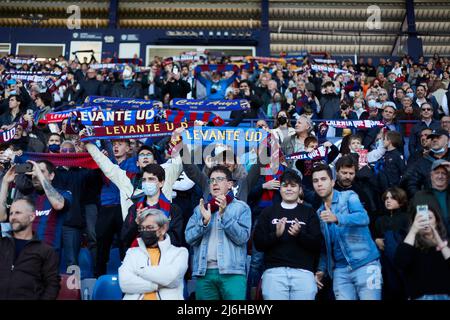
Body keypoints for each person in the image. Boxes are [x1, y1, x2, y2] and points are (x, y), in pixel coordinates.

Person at [312, 163, 382, 300]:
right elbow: (325, 247)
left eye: (323, 179)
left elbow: (363, 217)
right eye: (315, 181)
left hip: (366, 263)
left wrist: (337, 218)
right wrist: (321, 270)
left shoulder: (349, 196)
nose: (319, 184)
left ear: (332, 182)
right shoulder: (319, 213)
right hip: (340, 270)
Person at [185, 165, 251, 300]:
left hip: (233, 273)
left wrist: (224, 215)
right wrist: (204, 222)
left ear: (230, 184)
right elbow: (189, 238)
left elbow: (242, 238)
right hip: (205, 273)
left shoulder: (241, 208)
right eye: (211, 180)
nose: (214, 183)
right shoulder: (201, 209)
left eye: (219, 179)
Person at [253, 170, 322, 300]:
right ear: (280, 189)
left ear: (300, 189)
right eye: (285, 185)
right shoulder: (268, 212)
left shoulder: (309, 212)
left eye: (293, 185)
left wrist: (299, 234)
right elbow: (258, 243)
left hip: (304, 272)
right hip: (274, 272)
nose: (289, 189)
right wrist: (276, 235)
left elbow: (318, 244)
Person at [119, 208, 188, 300]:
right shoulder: (132, 253)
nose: (145, 231)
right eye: (142, 228)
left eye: (150, 227)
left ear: (163, 229)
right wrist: (157, 285)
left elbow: (172, 279)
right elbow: (125, 284)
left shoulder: (179, 253)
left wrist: (139, 271)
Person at [0, 198, 60, 300]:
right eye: (11, 213)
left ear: (32, 217)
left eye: (18, 213)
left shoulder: (46, 251)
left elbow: (52, 286)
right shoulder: (2, 244)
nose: (13, 217)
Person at [121, 164, 184, 250]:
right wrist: (136, 223)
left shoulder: (173, 210)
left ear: (161, 183)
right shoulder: (134, 209)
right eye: (144, 180)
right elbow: (124, 239)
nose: (147, 183)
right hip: (138, 256)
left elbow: (177, 239)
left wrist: (156, 233)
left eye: (151, 179)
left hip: (164, 258)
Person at [394, 206, 450, 300]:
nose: (426, 221)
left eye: (430, 218)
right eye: (421, 218)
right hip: (420, 296)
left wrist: (439, 240)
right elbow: (400, 263)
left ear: (437, 221)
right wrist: (413, 230)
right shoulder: (410, 244)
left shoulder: (446, 243)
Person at [374, 187, 410, 300]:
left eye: (392, 198)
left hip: (402, 263)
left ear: (400, 200)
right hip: (384, 262)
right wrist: (376, 240)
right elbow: (375, 237)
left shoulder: (406, 218)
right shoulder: (380, 220)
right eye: (386, 198)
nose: (388, 200)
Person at [405, 128, 450, 197]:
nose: (434, 140)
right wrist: (422, 199)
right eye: (432, 138)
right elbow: (412, 183)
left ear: (448, 140)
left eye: (438, 137)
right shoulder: (422, 161)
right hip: (430, 204)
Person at [409, 159, 450, 233]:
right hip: (431, 241)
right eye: (437, 173)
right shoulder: (420, 196)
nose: (440, 176)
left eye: (444, 173)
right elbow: (413, 222)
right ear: (431, 176)